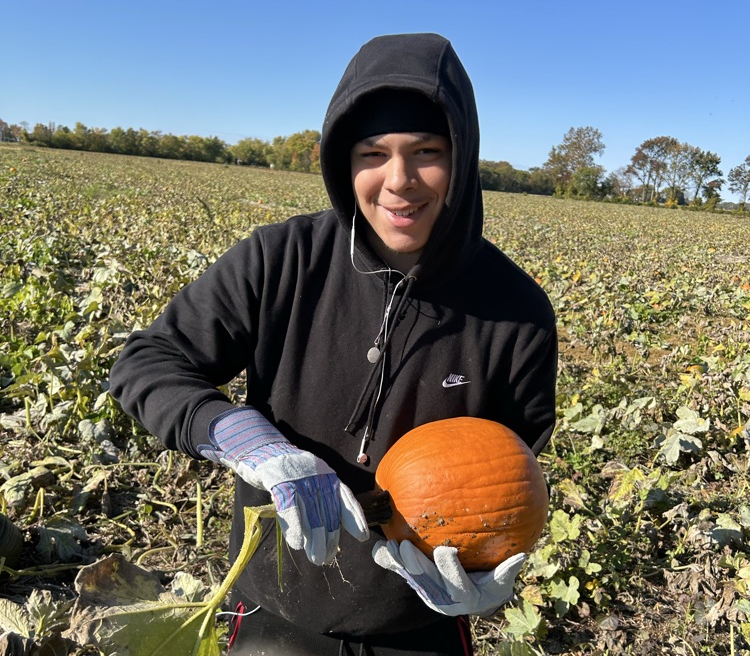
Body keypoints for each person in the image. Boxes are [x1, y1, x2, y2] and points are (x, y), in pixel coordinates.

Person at [109, 32, 557, 656]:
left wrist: (484, 580)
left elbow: (511, 479)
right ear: (343, 162)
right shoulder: (280, 260)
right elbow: (148, 363)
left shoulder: (518, 313)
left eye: (427, 151)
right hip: (276, 607)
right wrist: (240, 436)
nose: (398, 181)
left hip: (418, 622)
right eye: (373, 153)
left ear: (463, 158)